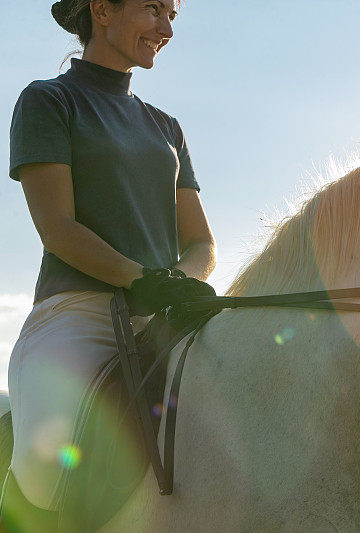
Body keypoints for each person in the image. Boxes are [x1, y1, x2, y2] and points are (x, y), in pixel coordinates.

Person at [1, 0, 216, 529]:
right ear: (101, 9)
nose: (165, 28)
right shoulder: (48, 101)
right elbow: (59, 229)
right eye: (153, 10)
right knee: (42, 461)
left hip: (167, 313)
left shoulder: (168, 127)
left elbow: (202, 242)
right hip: (79, 314)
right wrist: (140, 279)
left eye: (172, 15)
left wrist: (178, 284)